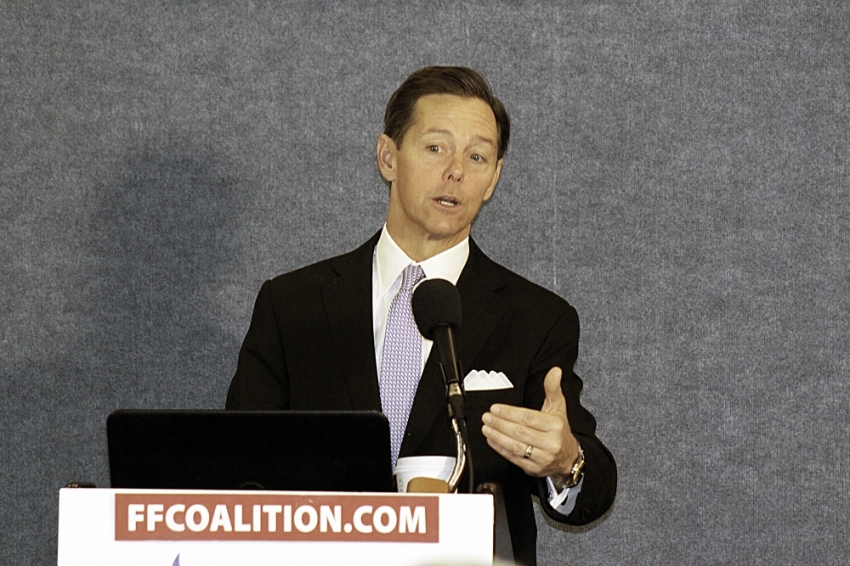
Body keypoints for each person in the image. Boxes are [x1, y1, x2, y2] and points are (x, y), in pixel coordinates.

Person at [226, 66, 616, 565]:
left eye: (477, 156)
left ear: (494, 178)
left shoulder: (536, 318)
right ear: (388, 157)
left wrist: (566, 463)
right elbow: (236, 470)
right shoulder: (294, 304)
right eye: (436, 148)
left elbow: (590, 479)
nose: (456, 170)